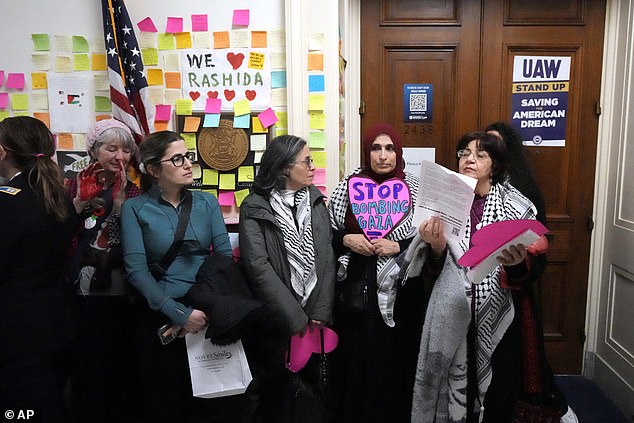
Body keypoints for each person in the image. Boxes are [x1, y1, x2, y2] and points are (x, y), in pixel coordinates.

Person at [407, 131, 573, 423]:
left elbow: (530, 271)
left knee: (498, 394)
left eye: (480, 155)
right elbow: (432, 268)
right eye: (464, 153)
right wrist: (435, 246)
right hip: (454, 311)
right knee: (458, 388)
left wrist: (517, 263)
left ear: (494, 166)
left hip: (499, 314)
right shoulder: (444, 200)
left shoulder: (517, 206)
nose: (469, 159)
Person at [121, 131, 244, 423]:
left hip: (207, 311)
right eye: (177, 159)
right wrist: (178, 313)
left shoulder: (206, 203)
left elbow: (223, 258)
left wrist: (208, 308)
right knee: (166, 401)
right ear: (152, 169)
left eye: (188, 156)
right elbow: (135, 270)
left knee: (215, 403)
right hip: (162, 315)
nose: (188, 164)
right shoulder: (135, 208)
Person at [328, 123, 427, 422]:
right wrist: (347, 239)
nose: (383, 156)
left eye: (389, 148)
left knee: (396, 358)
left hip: (402, 290)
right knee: (357, 359)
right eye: (376, 148)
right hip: (357, 290)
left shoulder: (416, 188)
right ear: (366, 151)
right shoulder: (349, 185)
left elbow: (431, 235)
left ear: (398, 152)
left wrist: (398, 245)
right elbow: (325, 233)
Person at [238, 134, 335, 422]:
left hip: (314, 317)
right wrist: (294, 318)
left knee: (310, 395)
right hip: (277, 320)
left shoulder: (317, 201)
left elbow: (327, 257)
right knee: (277, 396)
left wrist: (319, 310)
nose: (312, 166)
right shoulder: (255, 206)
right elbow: (258, 267)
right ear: (283, 168)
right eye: (306, 161)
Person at [485, 122, 577, 422]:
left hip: (513, 292)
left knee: (518, 363)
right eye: (486, 147)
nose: (491, 154)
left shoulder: (524, 194)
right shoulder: (472, 187)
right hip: (476, 293)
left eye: (498, 147)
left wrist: (517, 265)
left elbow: (540, 248)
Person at [0, 116, 78, 422]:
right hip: (55, 320)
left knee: (21, 411)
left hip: (16, 329)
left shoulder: (9, 202)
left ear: (3, 152)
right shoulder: (58, 196)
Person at [66, 118, 140, 423]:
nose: (119, 157)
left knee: (119, 361)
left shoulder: (134, 191)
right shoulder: (72, 184)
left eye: (125, 150)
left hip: (120, 288)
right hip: (80, 288)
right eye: (111, 149)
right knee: (86, 361)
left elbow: (133, 243)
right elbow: (62, 234)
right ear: (95, 151)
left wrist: (121, 205)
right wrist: (81, 202)